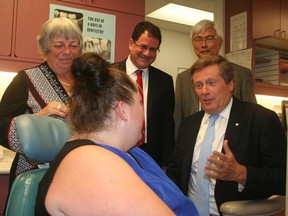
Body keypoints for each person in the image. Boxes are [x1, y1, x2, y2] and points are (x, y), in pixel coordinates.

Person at [35, 52, 199, 216]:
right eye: (140, 103)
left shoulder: (127, 152)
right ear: (123, 110)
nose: (143, 111)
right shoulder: (91, 163)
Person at [166, 55, 286, 216]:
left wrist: (241, 173)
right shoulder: (189, 125)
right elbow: (175, 173)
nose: (204, 91)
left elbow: (281, 179)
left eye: (211, 83)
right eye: (198, 85)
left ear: (230, 84)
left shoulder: (261, 120)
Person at [0, 17, 83, 184]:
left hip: (77, 173)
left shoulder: (87, 83)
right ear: (46, 48)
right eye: (59, 45)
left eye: (73, 45)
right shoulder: (26, 79)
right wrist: (35, 120)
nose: (67, 51)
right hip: (34, 177)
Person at [174, 19, 257, 136]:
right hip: (194, 142)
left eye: (209, 38)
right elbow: (178, 119)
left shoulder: (241, 75)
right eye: (198, 39)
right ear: (193, 44)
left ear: (220, 42)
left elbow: (251, 116)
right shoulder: (183, 78)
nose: (203, 44)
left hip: (230, 141)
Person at [112, 21, 175, 169]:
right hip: (117, 150)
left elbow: (167, 126)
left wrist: (166, 164)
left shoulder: (165, 81)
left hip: (152, 157)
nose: (147, 53)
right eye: (143, 47)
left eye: (153, 49)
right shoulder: (110, 73)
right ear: (131, 44)